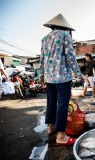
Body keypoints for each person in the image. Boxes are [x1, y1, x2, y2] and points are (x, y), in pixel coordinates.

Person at [39, 13, 85, 146]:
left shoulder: (44, 39)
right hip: (63, 77)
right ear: (65, 27)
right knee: (62, 104)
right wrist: (79, 74)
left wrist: (42, 76)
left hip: (49, 77)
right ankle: (61, 135)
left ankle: (51, 127)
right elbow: (70, 57)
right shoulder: (65, 35)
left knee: (51, 102)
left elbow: (42, 60)